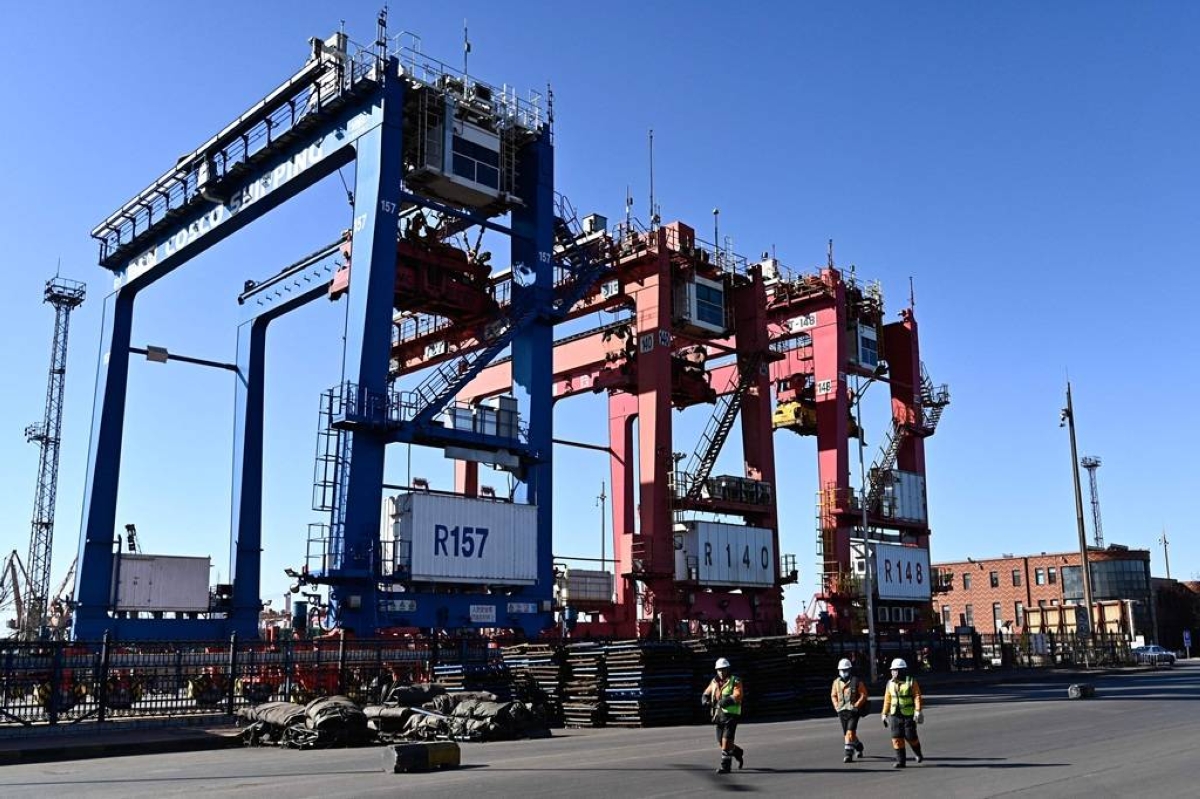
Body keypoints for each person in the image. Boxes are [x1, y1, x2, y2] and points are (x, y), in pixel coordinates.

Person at [701, 657, 745, 774]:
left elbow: (738, 694)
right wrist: (704, 698)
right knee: (721, 742)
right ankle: (737, 751)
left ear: (728, 669)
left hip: (731, 715)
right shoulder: (714, 682)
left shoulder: (735, 680)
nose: (721, 672)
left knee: (726, 741)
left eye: (724, 669)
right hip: (718, 715)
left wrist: (726, 700)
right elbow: (707, 691)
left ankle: (725, 766)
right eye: (719, 670)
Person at [881, 657, 925, 768]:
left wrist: (918, 711)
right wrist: (884, 714)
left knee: (910, 736)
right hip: (895, 714)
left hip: (909, 714)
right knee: (896, 737)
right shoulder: (889, 683)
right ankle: (901, 761)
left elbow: (917, 696)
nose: (892, 672)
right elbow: (887, 699)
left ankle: (918, 753)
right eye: (892, 670)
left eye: (895, 670)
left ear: (901, 671)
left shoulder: (911, 681)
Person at [830, 657, 868, 763]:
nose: (844, 672)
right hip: (842, 711)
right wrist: (836, 706)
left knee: (850, 732)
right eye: (842, 670)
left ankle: (848, 754)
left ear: (849, 670)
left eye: (846, 670)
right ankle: (859, 747)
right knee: (848, 734)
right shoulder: (836, 683)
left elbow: (864, 695)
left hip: (853, 712)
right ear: (839, 671)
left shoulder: (856, 681)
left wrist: (856, 706)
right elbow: (833, 695)